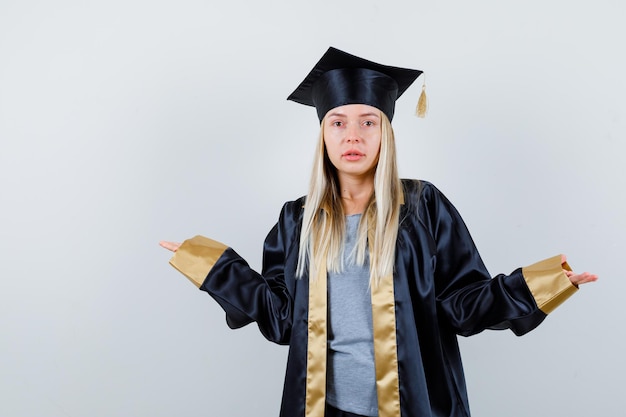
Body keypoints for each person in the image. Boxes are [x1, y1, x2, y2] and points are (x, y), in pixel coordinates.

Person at [160, 47, 597, 417]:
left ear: (386, 132)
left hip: (414, 404)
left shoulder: (423, 207)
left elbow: (464, 302)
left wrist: (541, 284)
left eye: (368, 121)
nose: (353, 135)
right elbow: (279, 318)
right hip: (323, 407)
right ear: (324, 135)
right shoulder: (298, 219)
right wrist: (214, 267)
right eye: (338, 122)